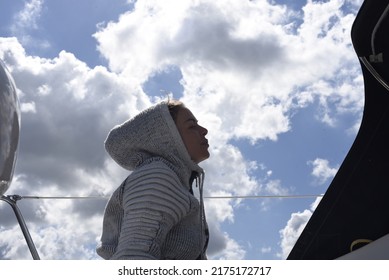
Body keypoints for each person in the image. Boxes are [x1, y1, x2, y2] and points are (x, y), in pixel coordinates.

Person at [96, 99, 210, 260]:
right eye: (192, 126)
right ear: (168, 138)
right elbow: (133, 258)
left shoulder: (172, 179)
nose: (204, 130)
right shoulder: (158, 177)